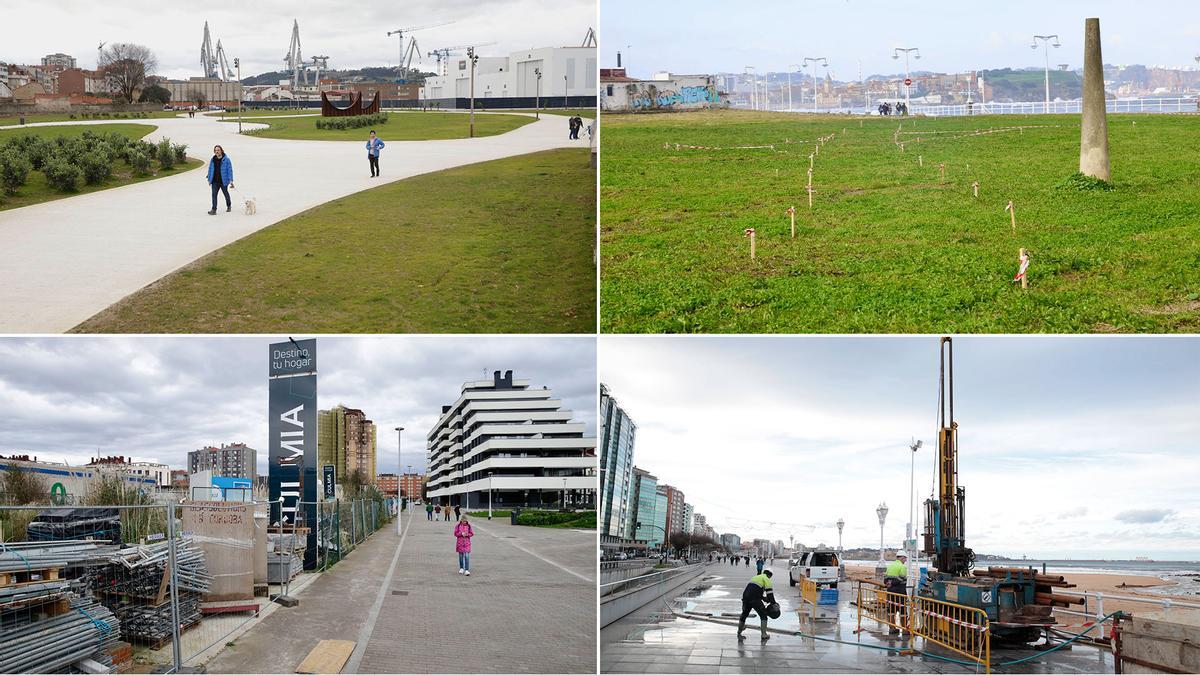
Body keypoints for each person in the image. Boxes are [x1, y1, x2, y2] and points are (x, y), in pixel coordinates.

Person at [738, 569, 776, 642]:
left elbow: (753, 590)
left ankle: (739, 630)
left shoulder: (755, 577)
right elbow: (770, 594)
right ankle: (764, 634)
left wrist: (763, 598)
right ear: (769, 575)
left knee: (744, 614)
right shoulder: (766, 579)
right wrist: (773, 603)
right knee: (763, 615)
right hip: (754, 599)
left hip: (745, 597)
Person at [884, 551, 909, 635]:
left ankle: (892, 628)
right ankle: (905, 630)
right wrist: (893, 583)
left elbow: (885, 579)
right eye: (905, 558)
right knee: (903, 611)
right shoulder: (902, 567)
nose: (905, 560)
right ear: (902, 558)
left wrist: (889, 583)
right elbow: (901, 578)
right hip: (900, 593)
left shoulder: (890, 566)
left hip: (890, 592)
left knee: (891, 610)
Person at [206, 145, 234, 215]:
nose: (217, 152)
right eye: (215, 150)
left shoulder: (226, 159)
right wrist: (209, 179)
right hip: (215, 181)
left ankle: (229, 205)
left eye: (218, 150)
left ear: (221, 150)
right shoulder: (213, 160)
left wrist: (231, 180)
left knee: (225, 194)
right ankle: (214, 209)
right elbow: (210, 169)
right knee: (214, 195)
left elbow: (230, 170)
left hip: (223, 181)